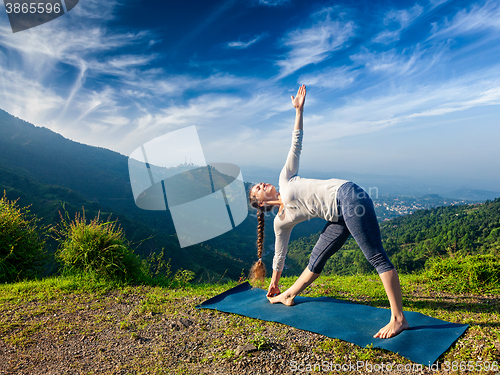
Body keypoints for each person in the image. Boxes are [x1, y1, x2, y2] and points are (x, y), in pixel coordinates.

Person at [248, 85, 409, 339]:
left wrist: (299, 111)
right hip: (337, 216)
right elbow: (280, 254)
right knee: (316, 259)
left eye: (260, 183)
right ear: (261, 203)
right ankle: (288, 294)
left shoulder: (284, 179)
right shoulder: (281, 222)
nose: (262, 184)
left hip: (349, 196)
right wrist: (274, 283)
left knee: (376, 257)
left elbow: (296, 145)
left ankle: (399, 318)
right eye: (258, 189)